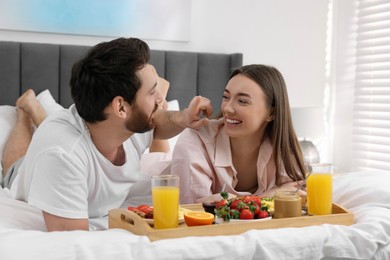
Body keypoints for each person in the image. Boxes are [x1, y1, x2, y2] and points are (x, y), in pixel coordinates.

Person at [1, 37, 212, 231]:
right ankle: (24, 112)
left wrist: (184, 118)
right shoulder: (62, 155)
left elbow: (157, 121)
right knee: (12, 168)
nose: (161, 99)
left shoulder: (130, 121)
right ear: (121, 107)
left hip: (71, 135)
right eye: (152, 91)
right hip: (22, 175)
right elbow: (73, 241)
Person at [169, 64, 306, 204]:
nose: (227, 108)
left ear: (271, 113)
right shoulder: (194, 141)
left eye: (242, 101)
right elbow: (194, 212)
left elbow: (296, 200)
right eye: (226, 97)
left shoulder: (282, 150)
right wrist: (266, 197)